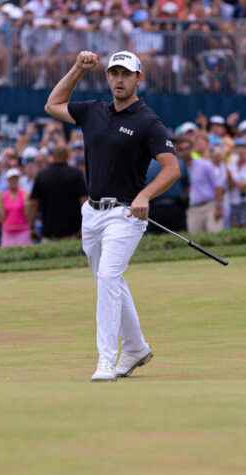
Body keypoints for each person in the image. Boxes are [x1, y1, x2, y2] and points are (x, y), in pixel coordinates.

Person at [44, 49, 180, 382]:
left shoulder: (148, 121)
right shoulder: (94, 111)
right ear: (107, 77)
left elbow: (172, 168)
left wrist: (145, 195)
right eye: (114, 74)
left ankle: (107, 360)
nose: (119, 80)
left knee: (108, 278)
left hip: (125, 216)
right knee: (110, 280)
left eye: (126, 74)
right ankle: (136, 348)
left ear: (138, 78)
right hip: (91, 214)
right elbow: (52, 105)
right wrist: (77, 68)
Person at [28, 145, 88, 241]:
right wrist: (85, 226)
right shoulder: (76, 174)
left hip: (48, 231)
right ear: (67, 156)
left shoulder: (42, 175)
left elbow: (33, 203)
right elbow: (84, 201)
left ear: (53, 157)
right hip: (72, 231)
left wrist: (31, 226)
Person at [186, 143, 225, 234]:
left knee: (215, 236)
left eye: (187, 148)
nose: (185, 151)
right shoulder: (179, 167)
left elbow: (218, 186)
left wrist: (218, 207)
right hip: (193, 208)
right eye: (181, 149)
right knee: (195, 240)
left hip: (210, 206)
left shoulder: (205, 164)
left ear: (191, 150)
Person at [0, 169, 32, 247]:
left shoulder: (25, 194)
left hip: (23, 230)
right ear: (7, 180)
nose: (13, 181)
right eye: (11, 179)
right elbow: (2, 217)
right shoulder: (3, 196)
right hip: (8, 231)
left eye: (15, 179)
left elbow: (28, 215)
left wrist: (27, 204)